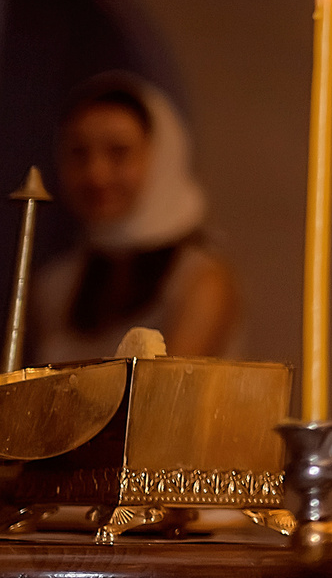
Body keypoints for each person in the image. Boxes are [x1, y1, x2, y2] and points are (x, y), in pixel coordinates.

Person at [31, 73, 238, 363]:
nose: (96, 174)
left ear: (161, 158)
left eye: (118, 152)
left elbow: (164, 397)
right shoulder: (55, 286)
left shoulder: (199, 282)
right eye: (79, 153)